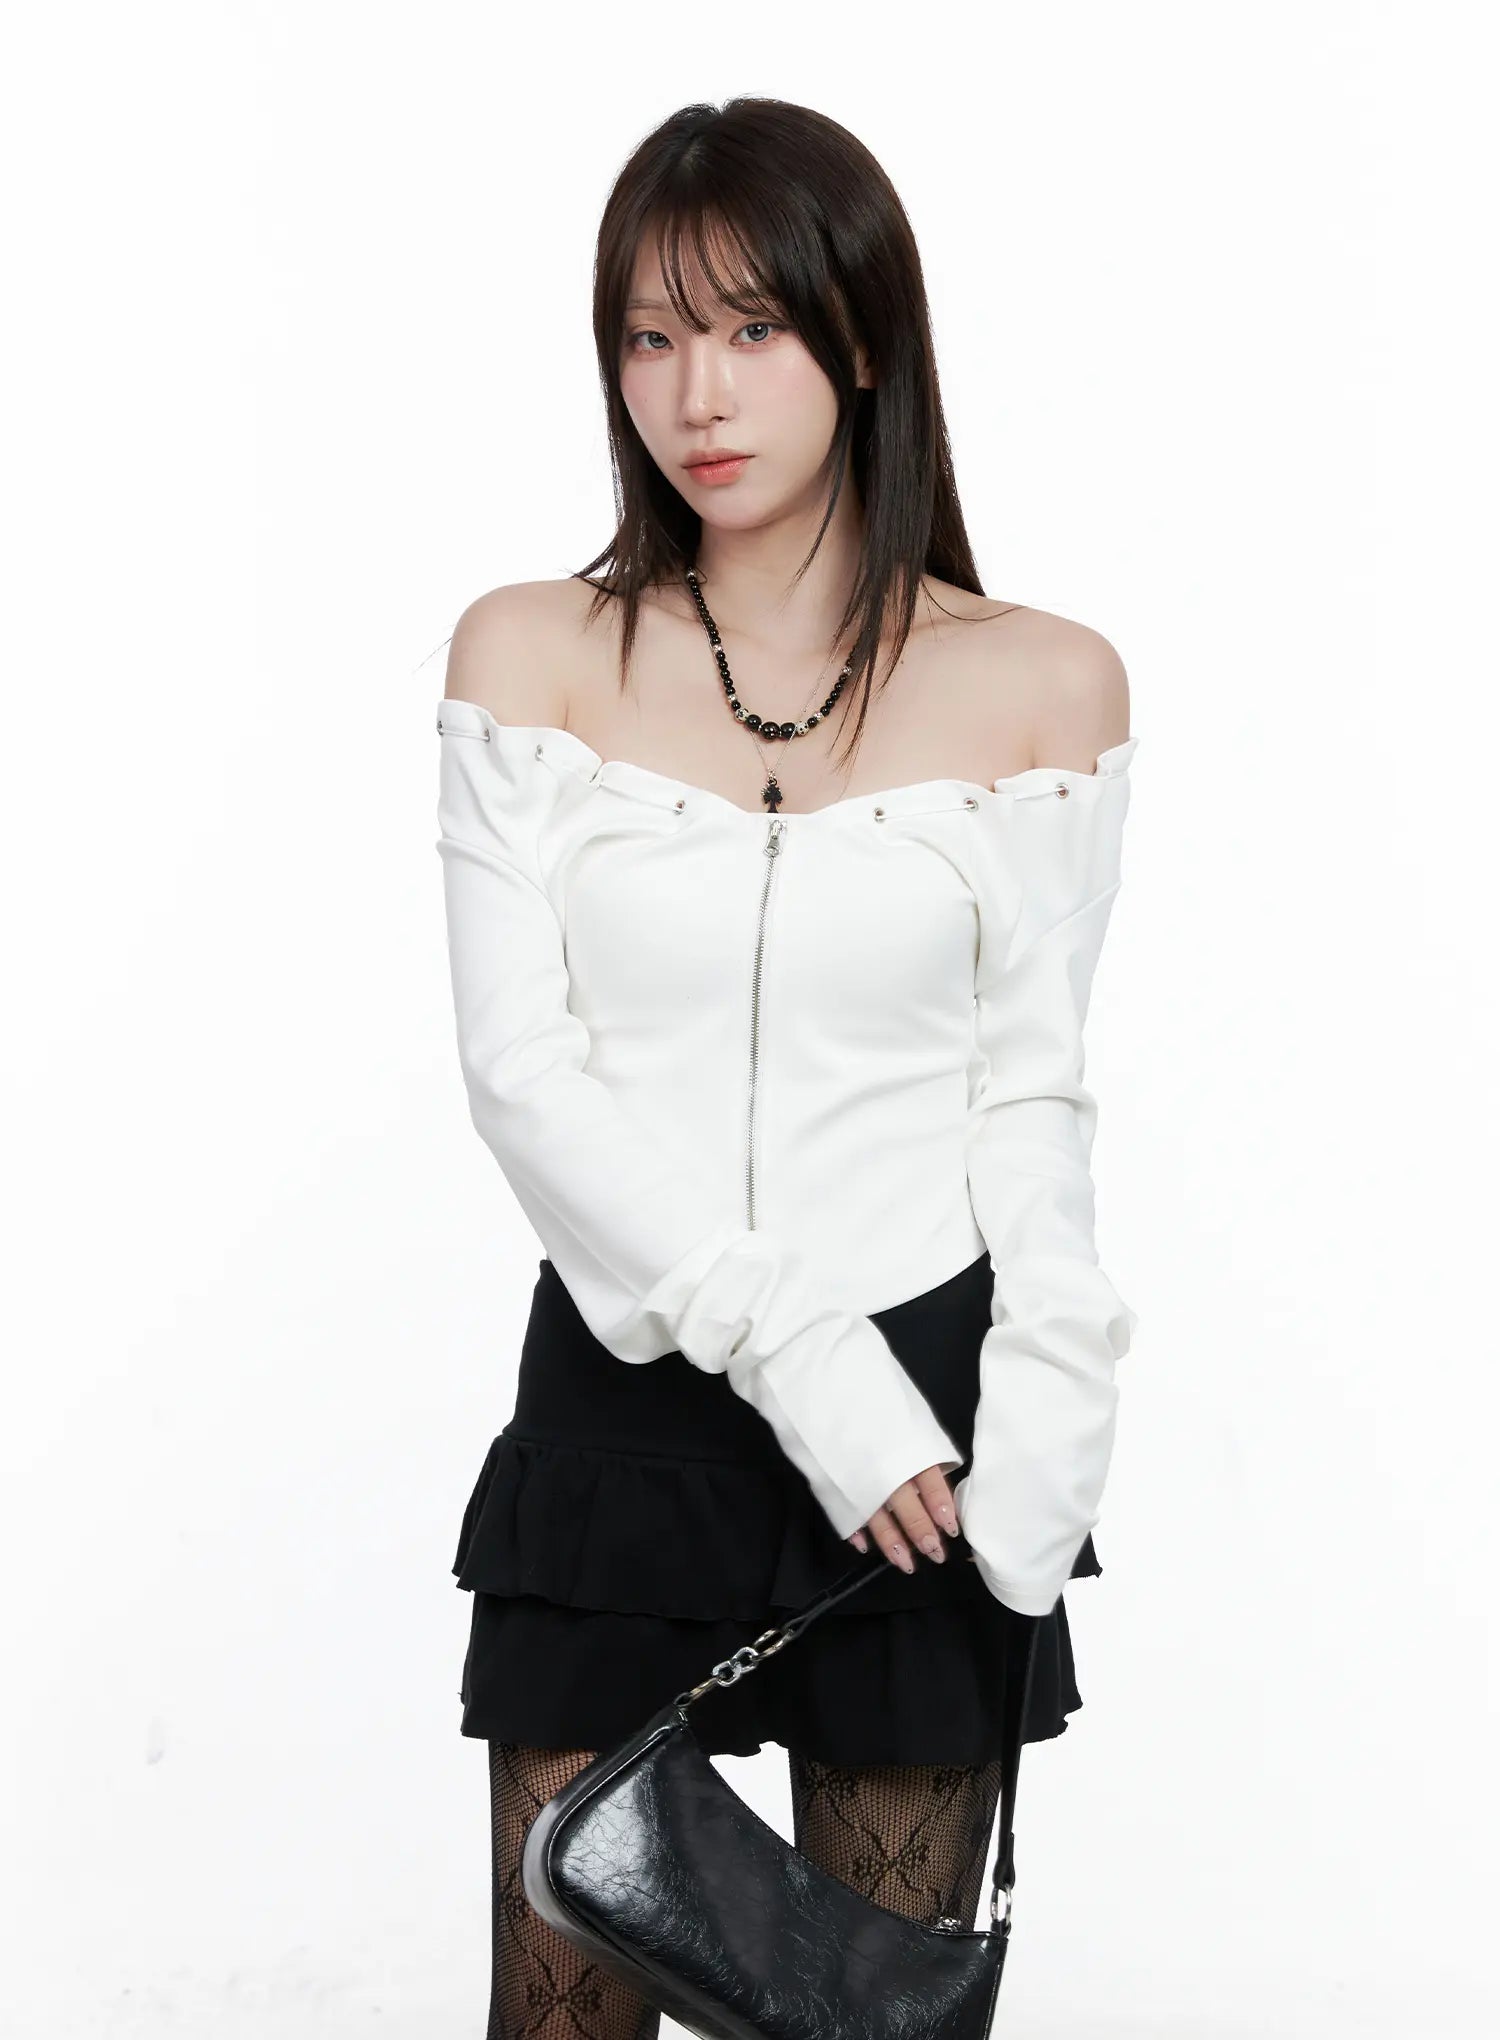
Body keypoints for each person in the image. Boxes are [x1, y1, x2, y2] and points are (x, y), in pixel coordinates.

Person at [434, 96, 1140, 2040]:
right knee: (559, 2014)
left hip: (927, 1423)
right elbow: (520, 1072)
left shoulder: (1046, 681)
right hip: (631, 1398)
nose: (698, 392)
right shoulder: (531, 654)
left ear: (862, 336)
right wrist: (798, 1353)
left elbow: (1032, 1091)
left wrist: (1055, 1385)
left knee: (867, 2024)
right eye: (650, 336)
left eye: (751, 327)